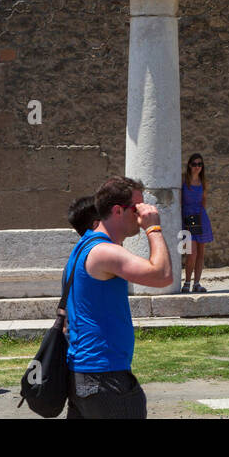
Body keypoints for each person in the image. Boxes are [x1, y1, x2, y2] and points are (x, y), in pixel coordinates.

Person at [63, 176, 172, 418]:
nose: (143, 213)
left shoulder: (84, 246)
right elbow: (163, 275)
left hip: (84, 375)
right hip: (105, 377)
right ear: (117, 210)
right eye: (137, 208)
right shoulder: (104, 252)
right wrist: (153, 228)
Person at [181, 153, 214, 293]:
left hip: (200, 218)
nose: (197, 167)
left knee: (201, 252)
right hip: (187, 218)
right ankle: (187, 283)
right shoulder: (183, 180)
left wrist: (201, 217)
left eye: (200, 164)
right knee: (191, 252)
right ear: (189, 165)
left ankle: (197, 283)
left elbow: (204, 202)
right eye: (194, 164)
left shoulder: (203, 181)